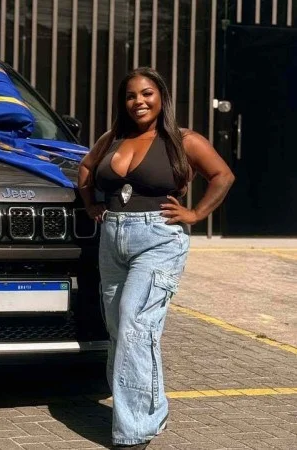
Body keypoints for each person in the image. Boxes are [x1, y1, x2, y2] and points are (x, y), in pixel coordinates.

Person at [76, 67, 235, 449]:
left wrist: (195, 214)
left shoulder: (184, 140)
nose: (139, 101)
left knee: (135, 323)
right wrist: (91, 203)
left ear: (161, 96)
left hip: (158, 240)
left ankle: (134, 432)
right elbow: (85, 168)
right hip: (113, 239)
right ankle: (150, 410)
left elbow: (223, 175)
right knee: (122, 330)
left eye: (146, 93)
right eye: (131, 95)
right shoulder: (113, 138)